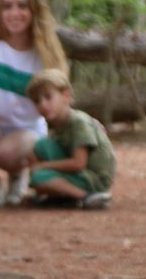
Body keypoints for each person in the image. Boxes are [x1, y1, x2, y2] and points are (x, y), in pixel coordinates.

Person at [0, 0, 70, 207]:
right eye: (7, 6)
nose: (14, 13)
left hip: (26, 132)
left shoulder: (46, 53)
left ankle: (18, 174)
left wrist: (83, 122)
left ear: (34, 9)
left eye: (22, 6)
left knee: (4, 153)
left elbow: (59, 104)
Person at [24, 69, 116, 210]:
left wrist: (43, 167)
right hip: (80, 173)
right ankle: (60, 195)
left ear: (66, 96)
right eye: (37, 101)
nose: (42, 104)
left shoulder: (78, 122)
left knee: (38, 177)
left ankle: (87, 197)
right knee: (40, 146)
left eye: (48, 97)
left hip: (94, 179)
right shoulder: (59, 124)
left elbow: (78, 163)